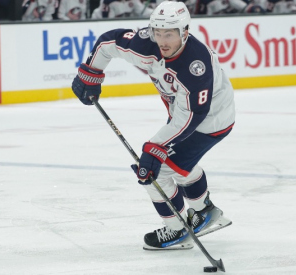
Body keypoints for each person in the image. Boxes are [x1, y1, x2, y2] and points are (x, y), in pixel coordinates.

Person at [72, 1, 235, 250]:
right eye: (158, 33)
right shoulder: (146, 43)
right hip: (183, 114)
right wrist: (91, 73)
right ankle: (205, 211)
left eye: (169, 34)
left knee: (153, 170)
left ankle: (178, 229)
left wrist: (154, 147)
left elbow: (192, 116)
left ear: (185, 32)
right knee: (175, 162)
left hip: (211, 120)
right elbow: (108, 43)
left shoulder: (195, 66)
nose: (162, 40)